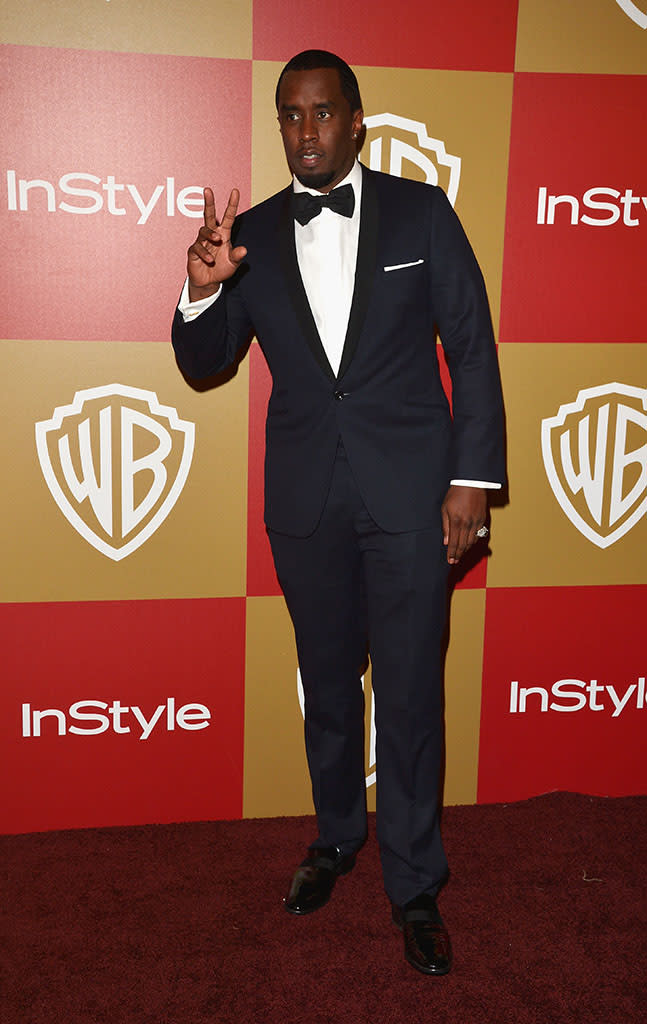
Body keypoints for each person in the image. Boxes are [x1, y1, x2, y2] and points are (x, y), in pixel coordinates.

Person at [172, 49, 505, 976]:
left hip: (411, 499)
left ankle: (414, 885)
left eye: (322, 113)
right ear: (279, 124)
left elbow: (471, 351)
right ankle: (334, 840)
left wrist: (471, 481)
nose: (306, 130)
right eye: (290, 115)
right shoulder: (253, 234)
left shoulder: (419, 210)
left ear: (356, 120)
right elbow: (204, 364)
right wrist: (202, 289)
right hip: (307, 500)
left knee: (406, 696)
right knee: (327, 688)